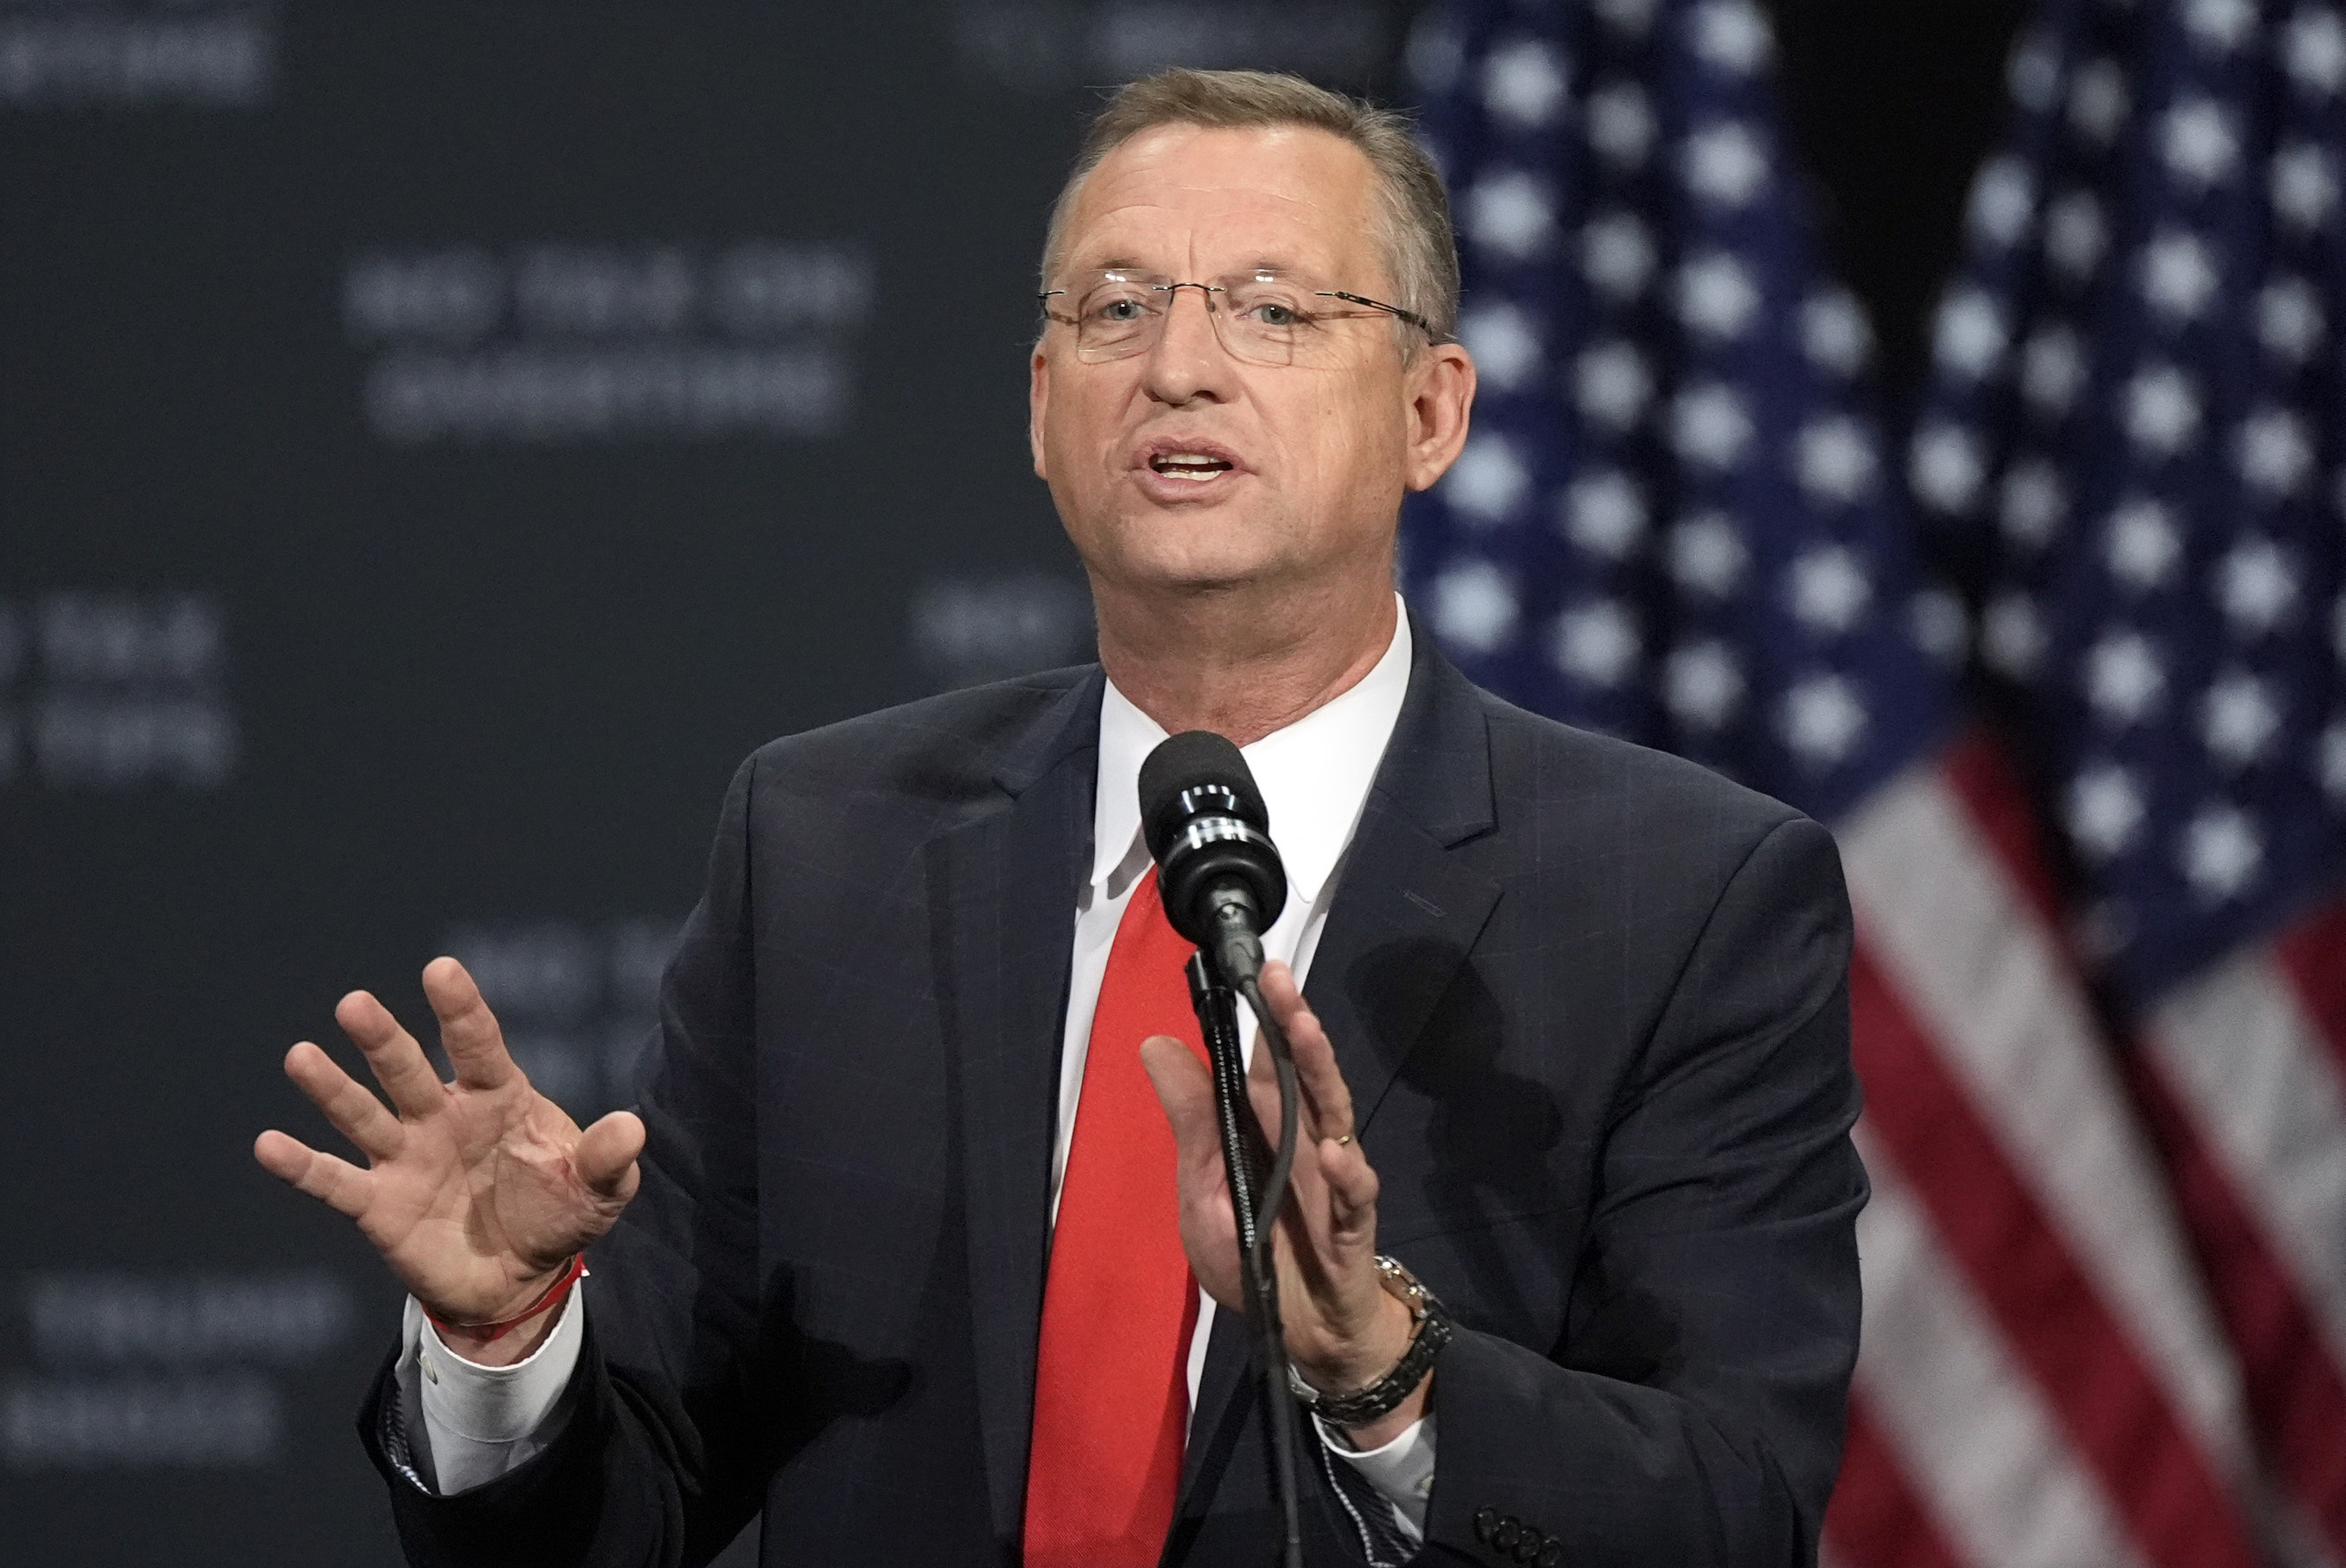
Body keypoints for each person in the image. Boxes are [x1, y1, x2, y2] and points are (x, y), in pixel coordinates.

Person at [255, 69, 1864, 1567]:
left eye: (1273, 309)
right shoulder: (825, 849)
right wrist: (507, 1344)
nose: (1177, 363)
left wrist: (1387, 1376)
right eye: (1115, 309)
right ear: (1042, 408)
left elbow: (1740, 1505)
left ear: (1432, 415)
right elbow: (633, 1502)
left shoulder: (1686, 898)